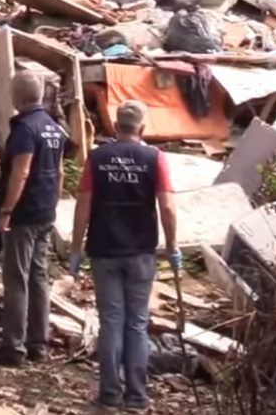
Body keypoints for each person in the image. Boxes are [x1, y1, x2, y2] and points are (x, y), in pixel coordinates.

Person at [69, 100, 180, 411]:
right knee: (136, 324)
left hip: (104, 252)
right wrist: (172, 247)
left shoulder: (97, 158)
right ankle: (137, 398)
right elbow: (168, 207)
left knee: (111, 323)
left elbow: (83, 207)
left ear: (116, 127)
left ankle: (109, 394)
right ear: (142, 129)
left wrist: (76, 249)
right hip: (141, 253)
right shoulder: (154, 158)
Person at [0, 71, 66, 366]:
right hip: (45, 213)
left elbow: (21, 172)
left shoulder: (24, 130)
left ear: (17, 97)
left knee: (16, 280)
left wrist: (6, 212)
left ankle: (13, 348)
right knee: (39, 278)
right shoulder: (53, 128)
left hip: (22, 215)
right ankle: (38, 344)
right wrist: (53, 205)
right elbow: (58, 173)